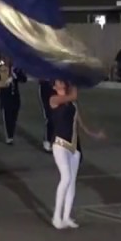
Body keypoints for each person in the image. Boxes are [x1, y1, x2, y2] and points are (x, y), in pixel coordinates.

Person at [48, 80, 105, 229]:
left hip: (74, 147)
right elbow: (73, 95)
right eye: (58, 81)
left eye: (62, 80)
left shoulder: (73, 104)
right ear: (54, 86)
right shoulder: (54, 99)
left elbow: (82, 125)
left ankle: (66, 217)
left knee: (72, 182)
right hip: (59, 144)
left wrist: (95, 135)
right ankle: (56, 217)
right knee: (66, 177)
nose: (61, 82)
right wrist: (74, 80)